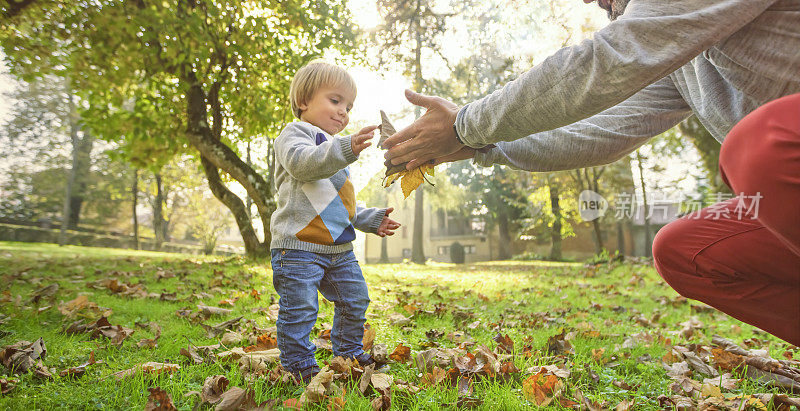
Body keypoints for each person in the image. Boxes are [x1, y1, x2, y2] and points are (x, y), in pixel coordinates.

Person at [382, 0, 800, 345]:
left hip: (781, 150)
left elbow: (609, 58)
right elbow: (602, 131)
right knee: (684, 251)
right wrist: (478, 146)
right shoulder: (676, 48)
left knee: (759, 147)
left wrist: (464, 124)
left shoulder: (654, 28)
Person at [271, 61, 401, 381]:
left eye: (349, 106)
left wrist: (372, 219)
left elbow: (342, 204)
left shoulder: (336, 150)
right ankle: (298, 363)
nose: (344, 112)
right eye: (335, 100)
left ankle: (348, 351)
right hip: (298, 246)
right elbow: (303, 165)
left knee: (355, 298)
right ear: (304, 101)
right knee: (301, 309)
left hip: (338, 249)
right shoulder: (294, 134)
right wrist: (345, 148)